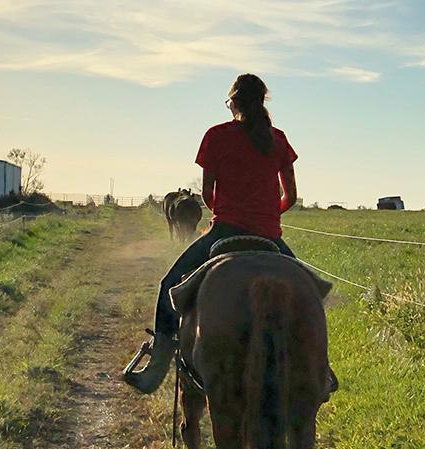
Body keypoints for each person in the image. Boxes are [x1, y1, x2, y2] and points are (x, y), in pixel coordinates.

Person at [124, 74, 300, 393]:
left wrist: (230, 212)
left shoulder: (215, 136)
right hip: (269, 236)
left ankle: (157, 366)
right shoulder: (279, 139)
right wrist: (268, 214)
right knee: (308, 291)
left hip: (225, 232)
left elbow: (207, 194)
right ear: (262, 102)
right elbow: (291, 196)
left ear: (232, 102)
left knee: (169, 286)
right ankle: (315, 369)